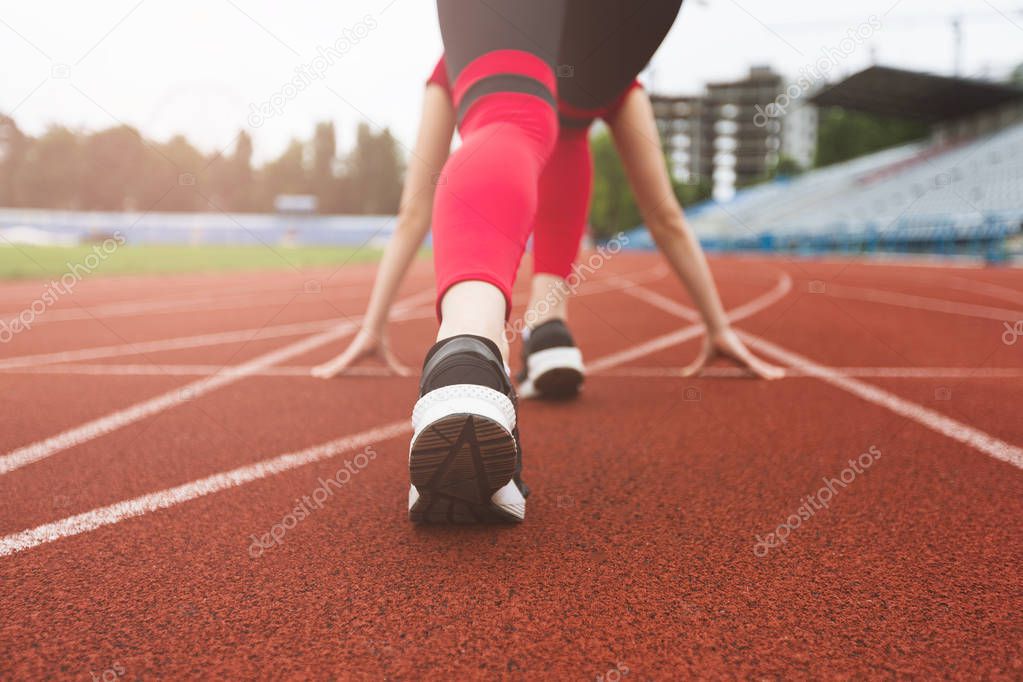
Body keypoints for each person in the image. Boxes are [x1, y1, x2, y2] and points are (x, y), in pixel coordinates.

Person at [323, 0, 781, 524]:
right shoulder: (621, 84)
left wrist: (373, 325)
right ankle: (547, 332)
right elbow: (665, 216)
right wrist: (717, 326)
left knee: (508, 115)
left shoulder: (454, 60)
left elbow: (412, 210)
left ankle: (467, 355)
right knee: (564, 127)